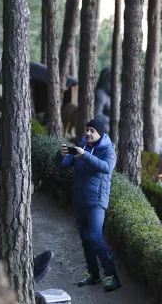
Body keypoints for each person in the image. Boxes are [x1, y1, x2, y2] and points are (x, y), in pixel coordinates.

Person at [54, 115, 122, 292]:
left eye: (92, 131)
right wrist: (61, 154)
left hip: (97, 202)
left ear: (100, 133)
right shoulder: (82, 146)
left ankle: (112, 276)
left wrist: (85, 156)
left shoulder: (108, 149)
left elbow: (106, 167)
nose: (88, 133)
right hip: (80, 200)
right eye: (87, 130)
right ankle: (93, 273)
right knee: (85, 239)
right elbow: (63, 164)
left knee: (95, 237)